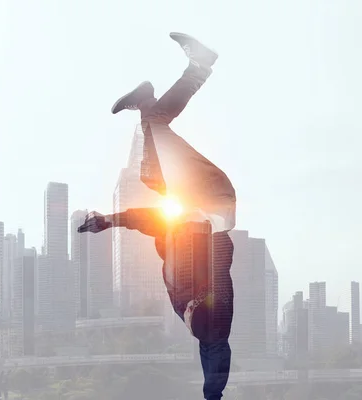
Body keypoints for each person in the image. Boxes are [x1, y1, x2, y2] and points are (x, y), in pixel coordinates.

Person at [78, 33, 236, 400]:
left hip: (195, 201)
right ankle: (198, 68)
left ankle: (150, 98)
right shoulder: (209, 300)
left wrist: (108, 221)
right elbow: (215, 348)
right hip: (209, 199)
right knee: (157, 133)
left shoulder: (181, 291)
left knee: (151, 161)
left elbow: (152, 220)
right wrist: (214, 395)